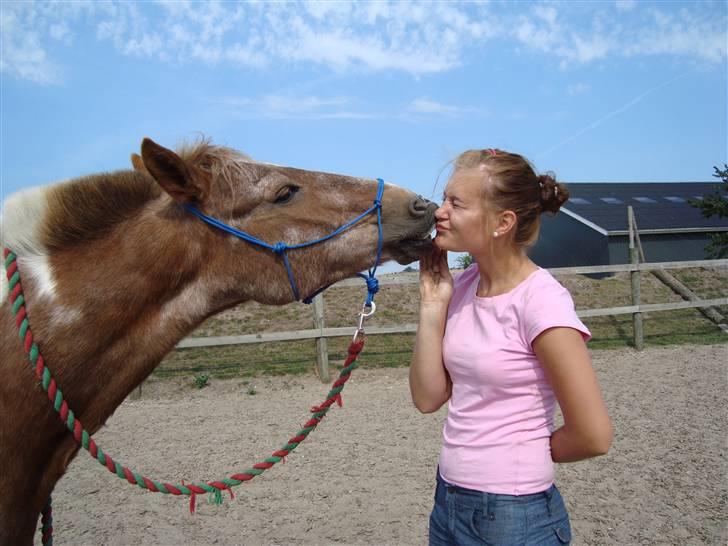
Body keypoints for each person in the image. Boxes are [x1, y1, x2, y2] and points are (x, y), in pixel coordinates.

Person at [410, 148, 613, 545]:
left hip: (513, 515)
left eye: (456, 203)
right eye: (445, 198)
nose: (439, 211)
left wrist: (519, 454)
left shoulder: (542, 302)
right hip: (447, 500)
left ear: (502, 222)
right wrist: (432, 306)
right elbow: (427, 398)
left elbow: (593, 435)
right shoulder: (462, 286)